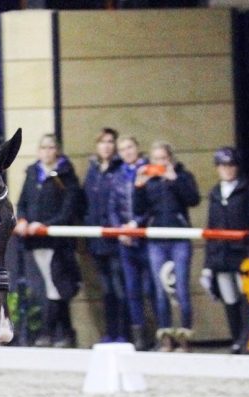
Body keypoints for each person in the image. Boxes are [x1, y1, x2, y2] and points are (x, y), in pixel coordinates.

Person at [14, 133, 83, 347]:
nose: (47, 151)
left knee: (56, 286)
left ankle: (50, 332)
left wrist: (47, 225)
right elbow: (23, 201)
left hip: (57, 239)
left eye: (51, 147)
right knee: (51, 285)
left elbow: (69, 208)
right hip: (35, 240)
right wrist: (23, 220)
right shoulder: (33, 173)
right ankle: (64, 333)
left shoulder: (66, 174)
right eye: (43, 147)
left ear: (57, 150)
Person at [133, 140, 201, 351]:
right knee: (160, 289)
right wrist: (138, 186)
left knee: (180, 288)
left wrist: (175, 181)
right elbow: (138, 208)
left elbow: (193, 199)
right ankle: (165, 336)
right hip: (156, 240)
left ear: (170, 159)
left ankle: (185, 336)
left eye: (163, 159)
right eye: (156, 159)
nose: (160, 163)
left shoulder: (183, 176)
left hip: (179, 238)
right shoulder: (149, 180)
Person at [202, 146, 249, 353]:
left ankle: (248, 338)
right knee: (229, 298)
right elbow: (211, 227)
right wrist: (208, 264)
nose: (227, 170)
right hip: (221, 254)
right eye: (223, 166)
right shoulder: (214, 193)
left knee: (247, 297)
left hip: (242, 253)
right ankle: (236, 337)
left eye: (231, 166)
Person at [82, 127, 128, 343]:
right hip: (97, 239)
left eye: (110, 141)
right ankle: (110, 332)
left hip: (117, 239)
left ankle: (123, 333)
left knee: (120, 288)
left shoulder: (121, 169)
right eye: (103, 142)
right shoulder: (93, 171)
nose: (106, 146)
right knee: (106, 290)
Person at [110, 135, 155, 350]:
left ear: (137, 148)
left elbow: (153, 204)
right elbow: (112, 207)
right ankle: (139, 335)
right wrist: (120, 230)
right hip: (125, 241)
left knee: (151, 288)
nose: (127, 152)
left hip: (145, 238)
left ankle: (159, 332)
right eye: (123, 149)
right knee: (132, 290)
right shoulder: (117, 175)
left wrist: (136, 223)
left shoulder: (148, 171)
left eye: (130, 147)